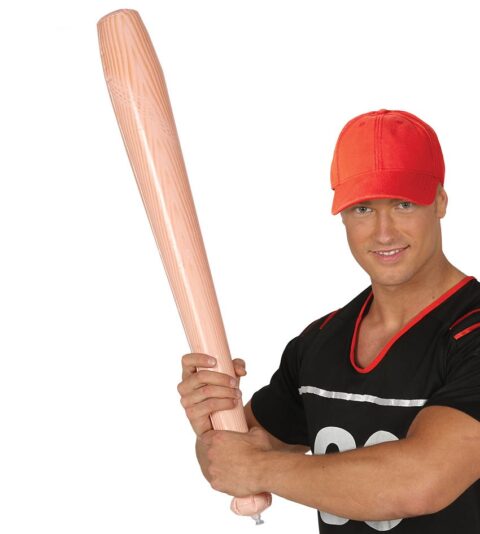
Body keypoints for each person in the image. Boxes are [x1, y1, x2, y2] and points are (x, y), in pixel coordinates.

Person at [177, 108, 480, 533]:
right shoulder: (319, 343)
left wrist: (258, 468)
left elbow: (421, 481)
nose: (384, 232)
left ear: (441, 201)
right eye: (362, 209)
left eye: (404, 203)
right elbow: (232, 461)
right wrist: (211, 421)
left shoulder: (472, 334)